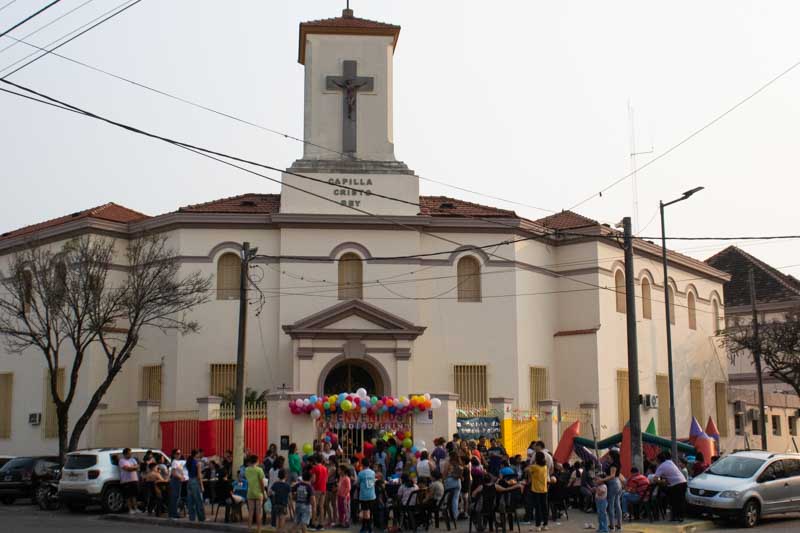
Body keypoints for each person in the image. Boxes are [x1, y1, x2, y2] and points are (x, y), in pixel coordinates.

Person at [654, 452, 687, 522]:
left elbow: (655, 479)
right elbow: (669, 473)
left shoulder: (661, 466)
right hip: (683, 482)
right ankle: (680, 517)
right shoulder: (670, 462)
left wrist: (662, 481)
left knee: (674, 501)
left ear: (659, 460)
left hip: (676, 484)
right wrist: (664, 479)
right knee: (681, 501)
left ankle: (675, 517)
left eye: (656, 459)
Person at [598, 448, 623, 531]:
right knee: (617, 504)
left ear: (612, 456)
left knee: (611, 505)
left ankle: (612, 525)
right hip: (618, 483)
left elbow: (612, 475)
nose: (607, 456)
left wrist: (602, 480)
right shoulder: (617, 464)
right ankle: (619, 524)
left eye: (609, 454)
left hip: (613, 484)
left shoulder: (613, 465)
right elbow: (615, 475)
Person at [526, 451, 549, 531]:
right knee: (544, 507)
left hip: (536, 490)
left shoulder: (534, 467)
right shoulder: (545, 466)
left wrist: (530, 477)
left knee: (538, 508)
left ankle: (538, 525)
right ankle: (545, 524)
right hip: (544, 489)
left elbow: (527, 469)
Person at [244, 454, 267, 533]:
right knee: (259, 512)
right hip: (258, 493)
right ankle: (259, 530)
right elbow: (261, 482)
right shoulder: (259, 470)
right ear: (257, 461)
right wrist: (263, 492)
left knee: (250, 512)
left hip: (250, 492)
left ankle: (249, 529)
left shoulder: (246, 470)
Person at [185, 449, 206, 522]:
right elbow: (199, 475)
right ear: (196, 454)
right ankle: (201, 517)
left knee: (190, 501)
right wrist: (202, 485)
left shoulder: (189, 462)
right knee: (198, 500)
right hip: (195, 481)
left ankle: (192, 517)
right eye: (198, 453)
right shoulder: (198, 463)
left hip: (189, 481)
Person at [309, 454, 329, 530]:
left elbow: (313, 479)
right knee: (321, 506)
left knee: (314, 506)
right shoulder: (325, 468)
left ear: (315, 460)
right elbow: (326, 480)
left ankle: (313, 523)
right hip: (323, 488)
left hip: (316, 488)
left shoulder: (315, 468)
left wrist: (309, 482)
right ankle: (321, 524)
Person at [118, 448, 140, 514]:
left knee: (134, 495)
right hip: (126, 480)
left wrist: (132, 468)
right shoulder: (121, 461)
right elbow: (127, 469)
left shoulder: (133, 459)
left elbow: (137, 467)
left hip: (134, 479)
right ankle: (130, 509)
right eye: (129, 453)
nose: (131, 454)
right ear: (125, 454)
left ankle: (136, 508)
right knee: (128, 496)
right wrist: (133, 468)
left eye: (131, 453)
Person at [357, 458, 377, 533]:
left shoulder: (361, 473)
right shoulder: (372, 472)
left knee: (365, 512)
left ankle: (368, 529)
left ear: (362, 464)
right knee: (368, 512)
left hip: (364, 495)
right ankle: (364, 527)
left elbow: (357, 483)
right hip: (372, 495)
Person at [442, 452, 462, 522]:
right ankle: (455, 515)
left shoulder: (448, 463)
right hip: (458, 481)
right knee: (455, 499)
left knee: (447, 498)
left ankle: (447, 515)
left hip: (450, 481)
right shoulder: (459, 462)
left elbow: (444, 473)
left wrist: (443, 481)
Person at [168, 448, 186, 519]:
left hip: (178, 481)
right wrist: (180, 477)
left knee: (176, 498)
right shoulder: (174, 462)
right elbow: (173, 473)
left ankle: (174, 513)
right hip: (175, 480)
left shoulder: (179, 462)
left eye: (180, 453)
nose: (179, 455)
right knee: (174, 498)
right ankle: (173, 514)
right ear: (174, 454)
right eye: (177, 453)